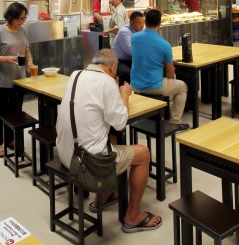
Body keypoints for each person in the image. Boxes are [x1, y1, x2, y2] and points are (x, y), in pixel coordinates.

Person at [55, 49, 163, 233]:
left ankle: (101, 197)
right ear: (112, 67)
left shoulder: (75, 74)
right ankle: (133, 215)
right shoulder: (106, 82)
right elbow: (120, 123)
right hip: (87, 162)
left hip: (65, 152)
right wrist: (124, 94)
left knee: (111, 138)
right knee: (143, 153)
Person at [0, 2, 36, 158]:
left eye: (24, 18)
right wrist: (4, 58)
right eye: (20, 18)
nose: (22, 21)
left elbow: (27, 50)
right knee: (1, 111)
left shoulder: (22, 31)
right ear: (11, 17)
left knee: (16, 111)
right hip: (2, 81)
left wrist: (30, 63)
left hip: (19, 79)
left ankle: (9, 139)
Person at [130, 9, 190, 131]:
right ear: (160, 23)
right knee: (182, 86)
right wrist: (171, 80)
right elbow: (170, 72)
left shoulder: (134, 37)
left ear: (145, 22)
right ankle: (175, 123)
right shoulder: (164, 45)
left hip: (135, 85)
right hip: (154, 86)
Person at [111, 11, 145, 85]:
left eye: (143, 22)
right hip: (119, 61)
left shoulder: (142, 29)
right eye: (139, 23)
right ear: (131, 23)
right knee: (128, 73)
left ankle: (142, 92)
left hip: (132, 59)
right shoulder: (124, 32)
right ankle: (125, 92)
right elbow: (131, 52)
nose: (142, 25)